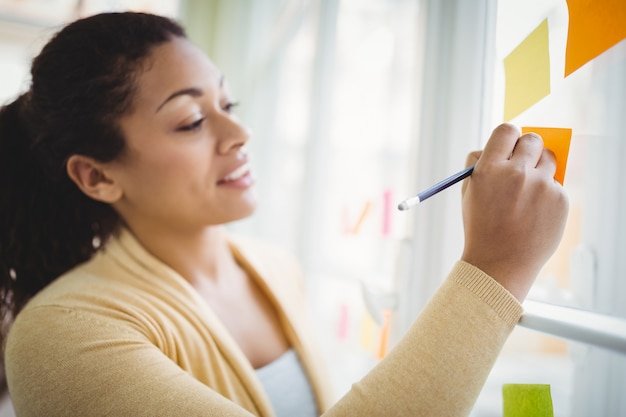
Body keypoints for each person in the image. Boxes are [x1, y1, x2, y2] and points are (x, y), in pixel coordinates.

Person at [0, 12, 568, 417]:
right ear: (97, 175)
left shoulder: (275, 267)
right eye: (191, 121)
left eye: (228, 104)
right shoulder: (60, 336)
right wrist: (495, 269)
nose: (239, 134)